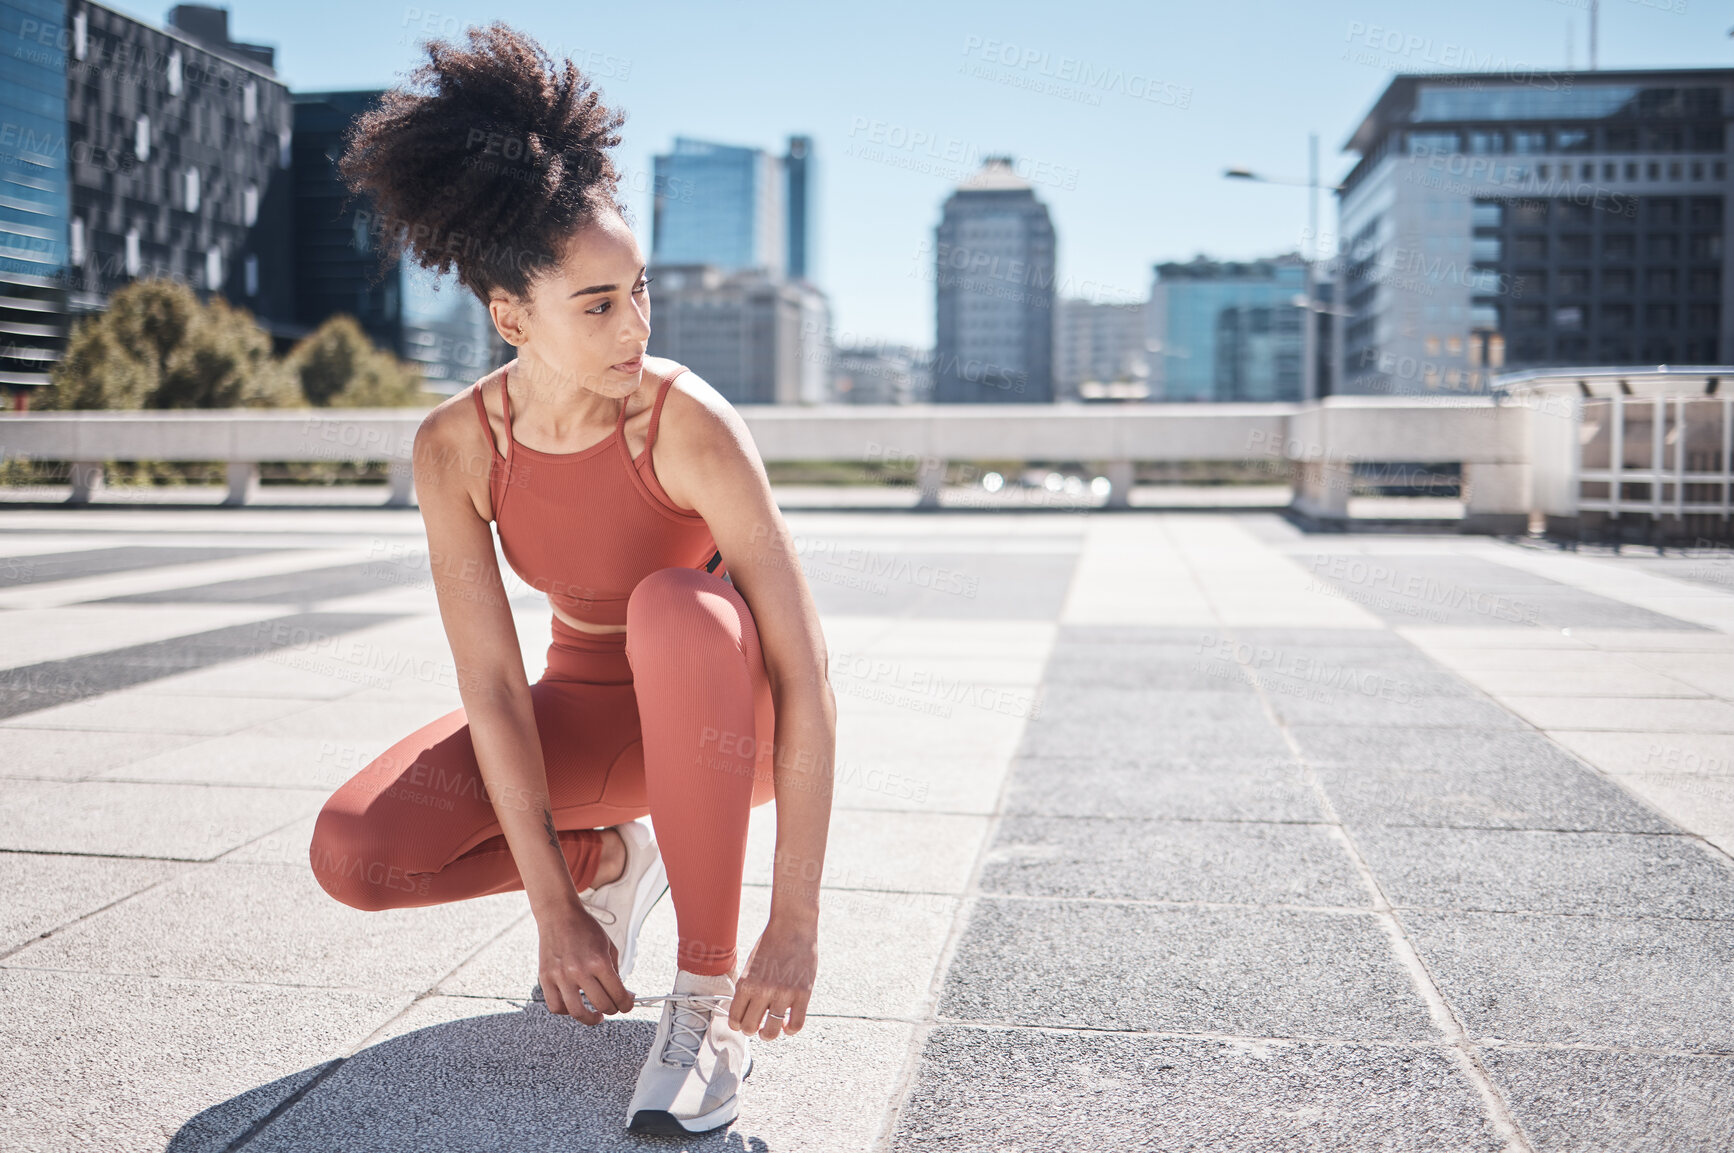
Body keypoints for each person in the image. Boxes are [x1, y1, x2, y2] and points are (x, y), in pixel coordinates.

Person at [304, 21, 835, 1136]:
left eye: (639, 290)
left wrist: (793, 918)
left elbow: (805, 667)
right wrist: (553, 901)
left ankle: (700, 1009)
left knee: (678, 603)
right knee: (355, 853)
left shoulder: (689, 424)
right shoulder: (457, 447)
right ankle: (611, 854)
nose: (635, 325)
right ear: (511, 317)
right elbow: (494, 687)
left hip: (725, 720)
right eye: (597, 305)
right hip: (586, 724)